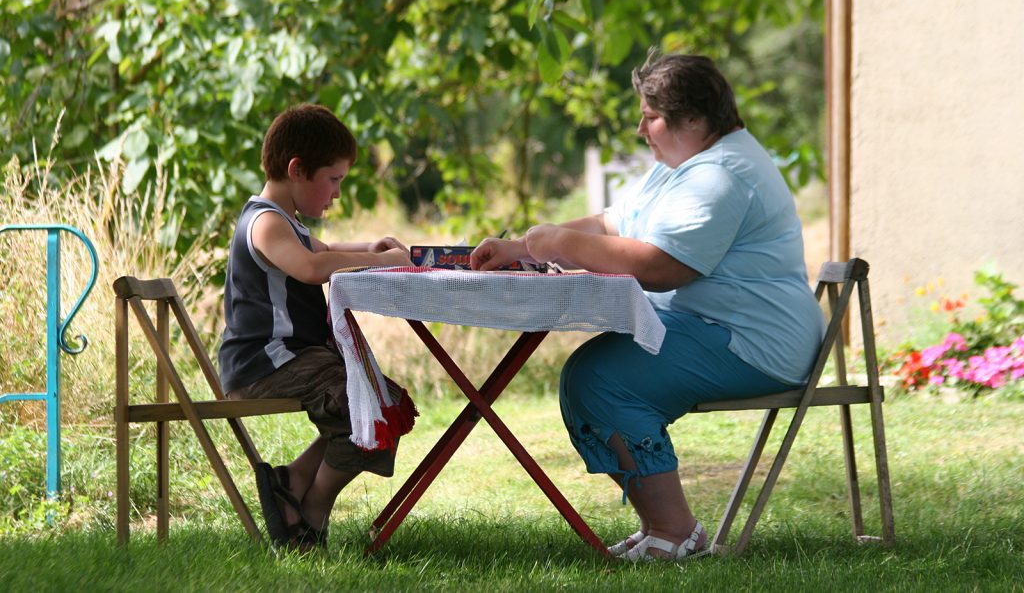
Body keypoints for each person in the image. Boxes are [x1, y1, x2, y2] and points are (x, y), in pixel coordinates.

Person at [470, 52, 825, 562]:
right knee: (592, 375)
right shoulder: (686, 165)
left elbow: (663, 266)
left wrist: (558, 244)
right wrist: (526, 245)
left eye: (651, 116)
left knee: (603, 379)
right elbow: (616, 224)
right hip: (714, 329)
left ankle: (674, 530)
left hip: (754, 343)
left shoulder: (721, 175)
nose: (641, 129)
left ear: (695, 119)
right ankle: (663, 527)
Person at [218, 103, 412, 551]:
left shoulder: (287, 223)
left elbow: (321, 248)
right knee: (367, 406)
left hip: (294, 361)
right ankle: (313, 508)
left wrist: (369, 246)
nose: (337, 193)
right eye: (334, 179)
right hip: (265, 366)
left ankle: (294, 480)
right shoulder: (265, 222)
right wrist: (379, 261)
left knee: (382, 403)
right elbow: (310, 266)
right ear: (298, 169)